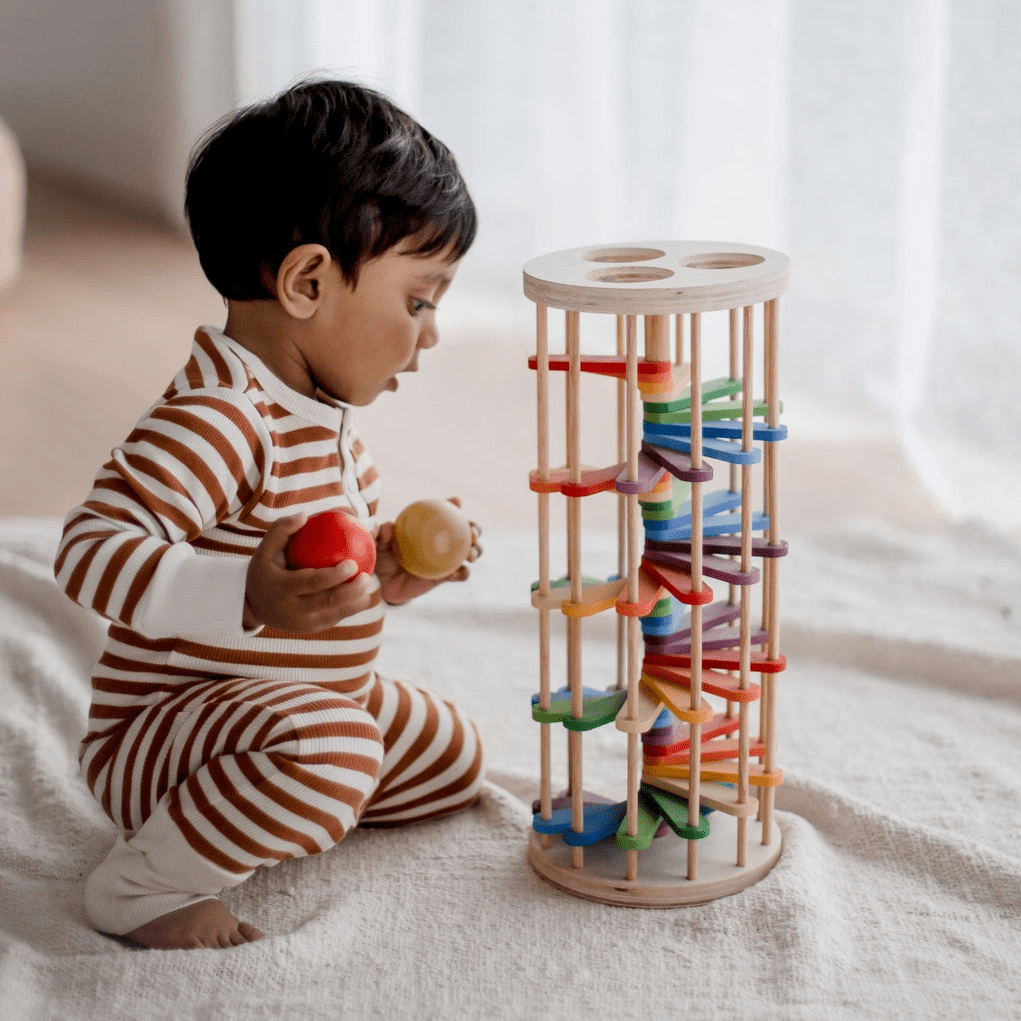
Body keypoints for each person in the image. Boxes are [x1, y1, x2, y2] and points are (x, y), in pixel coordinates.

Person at [53, 79, 485, 950]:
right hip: (168, 739)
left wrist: (387, 569)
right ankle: (141, 887)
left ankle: (288, 796)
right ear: (307, 281)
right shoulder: (219, 418)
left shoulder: (321, 419)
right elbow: (87, 552)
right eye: (418, 299)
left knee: (451, 755)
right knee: (338, 750)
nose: (430, 333)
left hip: (290, 702)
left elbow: (327, 576)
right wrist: (247, 593)